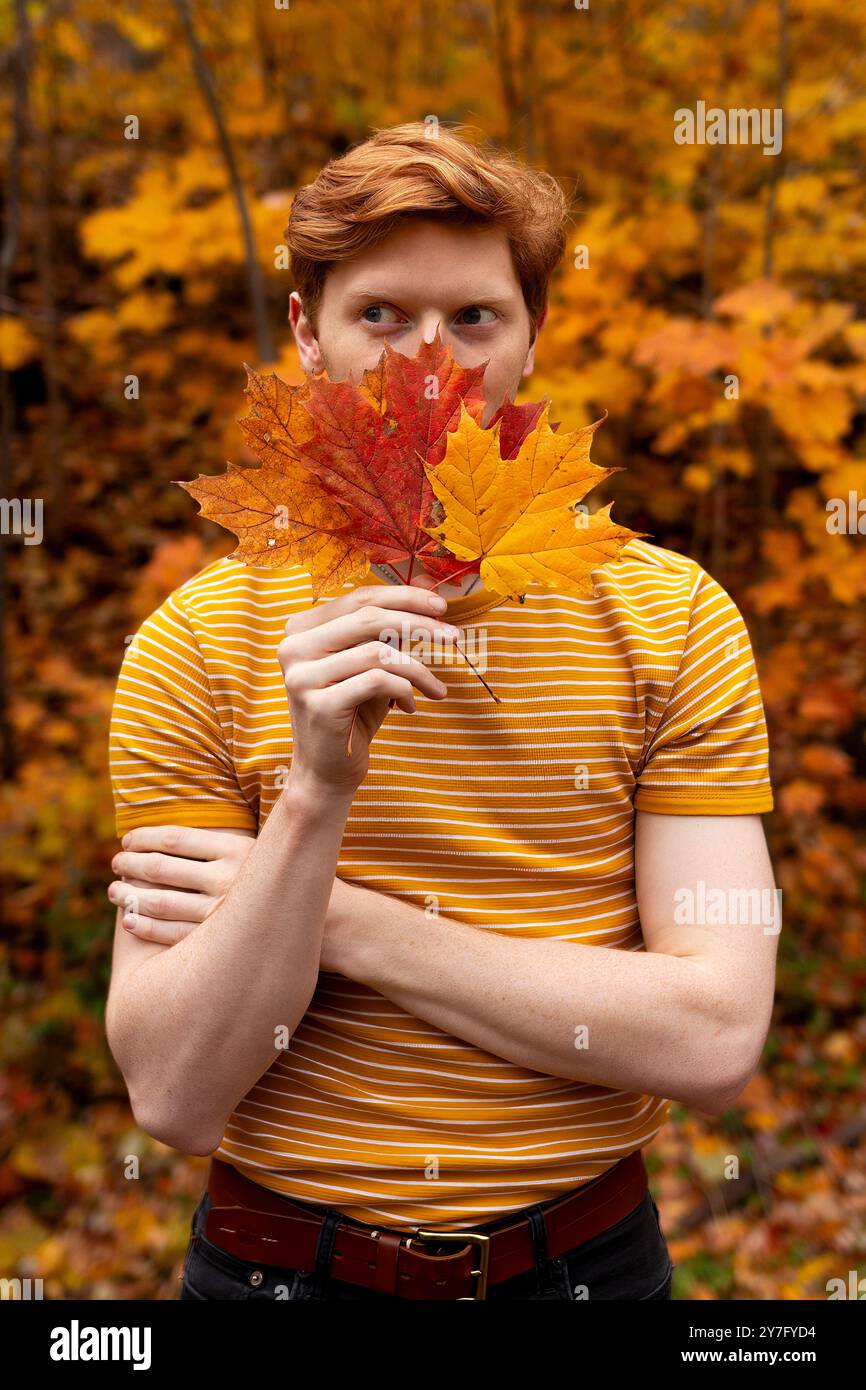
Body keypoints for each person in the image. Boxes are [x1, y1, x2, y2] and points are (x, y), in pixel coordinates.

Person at [105, 121, 778, 1301]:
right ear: (307, 331)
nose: (433, 362)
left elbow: (713, 1039)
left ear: (533, 332)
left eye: (473, 318)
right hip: (278, 1275)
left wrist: (327, 916)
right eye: (380, 317)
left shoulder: (671, 616)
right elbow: (173, 1093)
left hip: (584, 1270)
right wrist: (313, 797)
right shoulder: (197, 642)